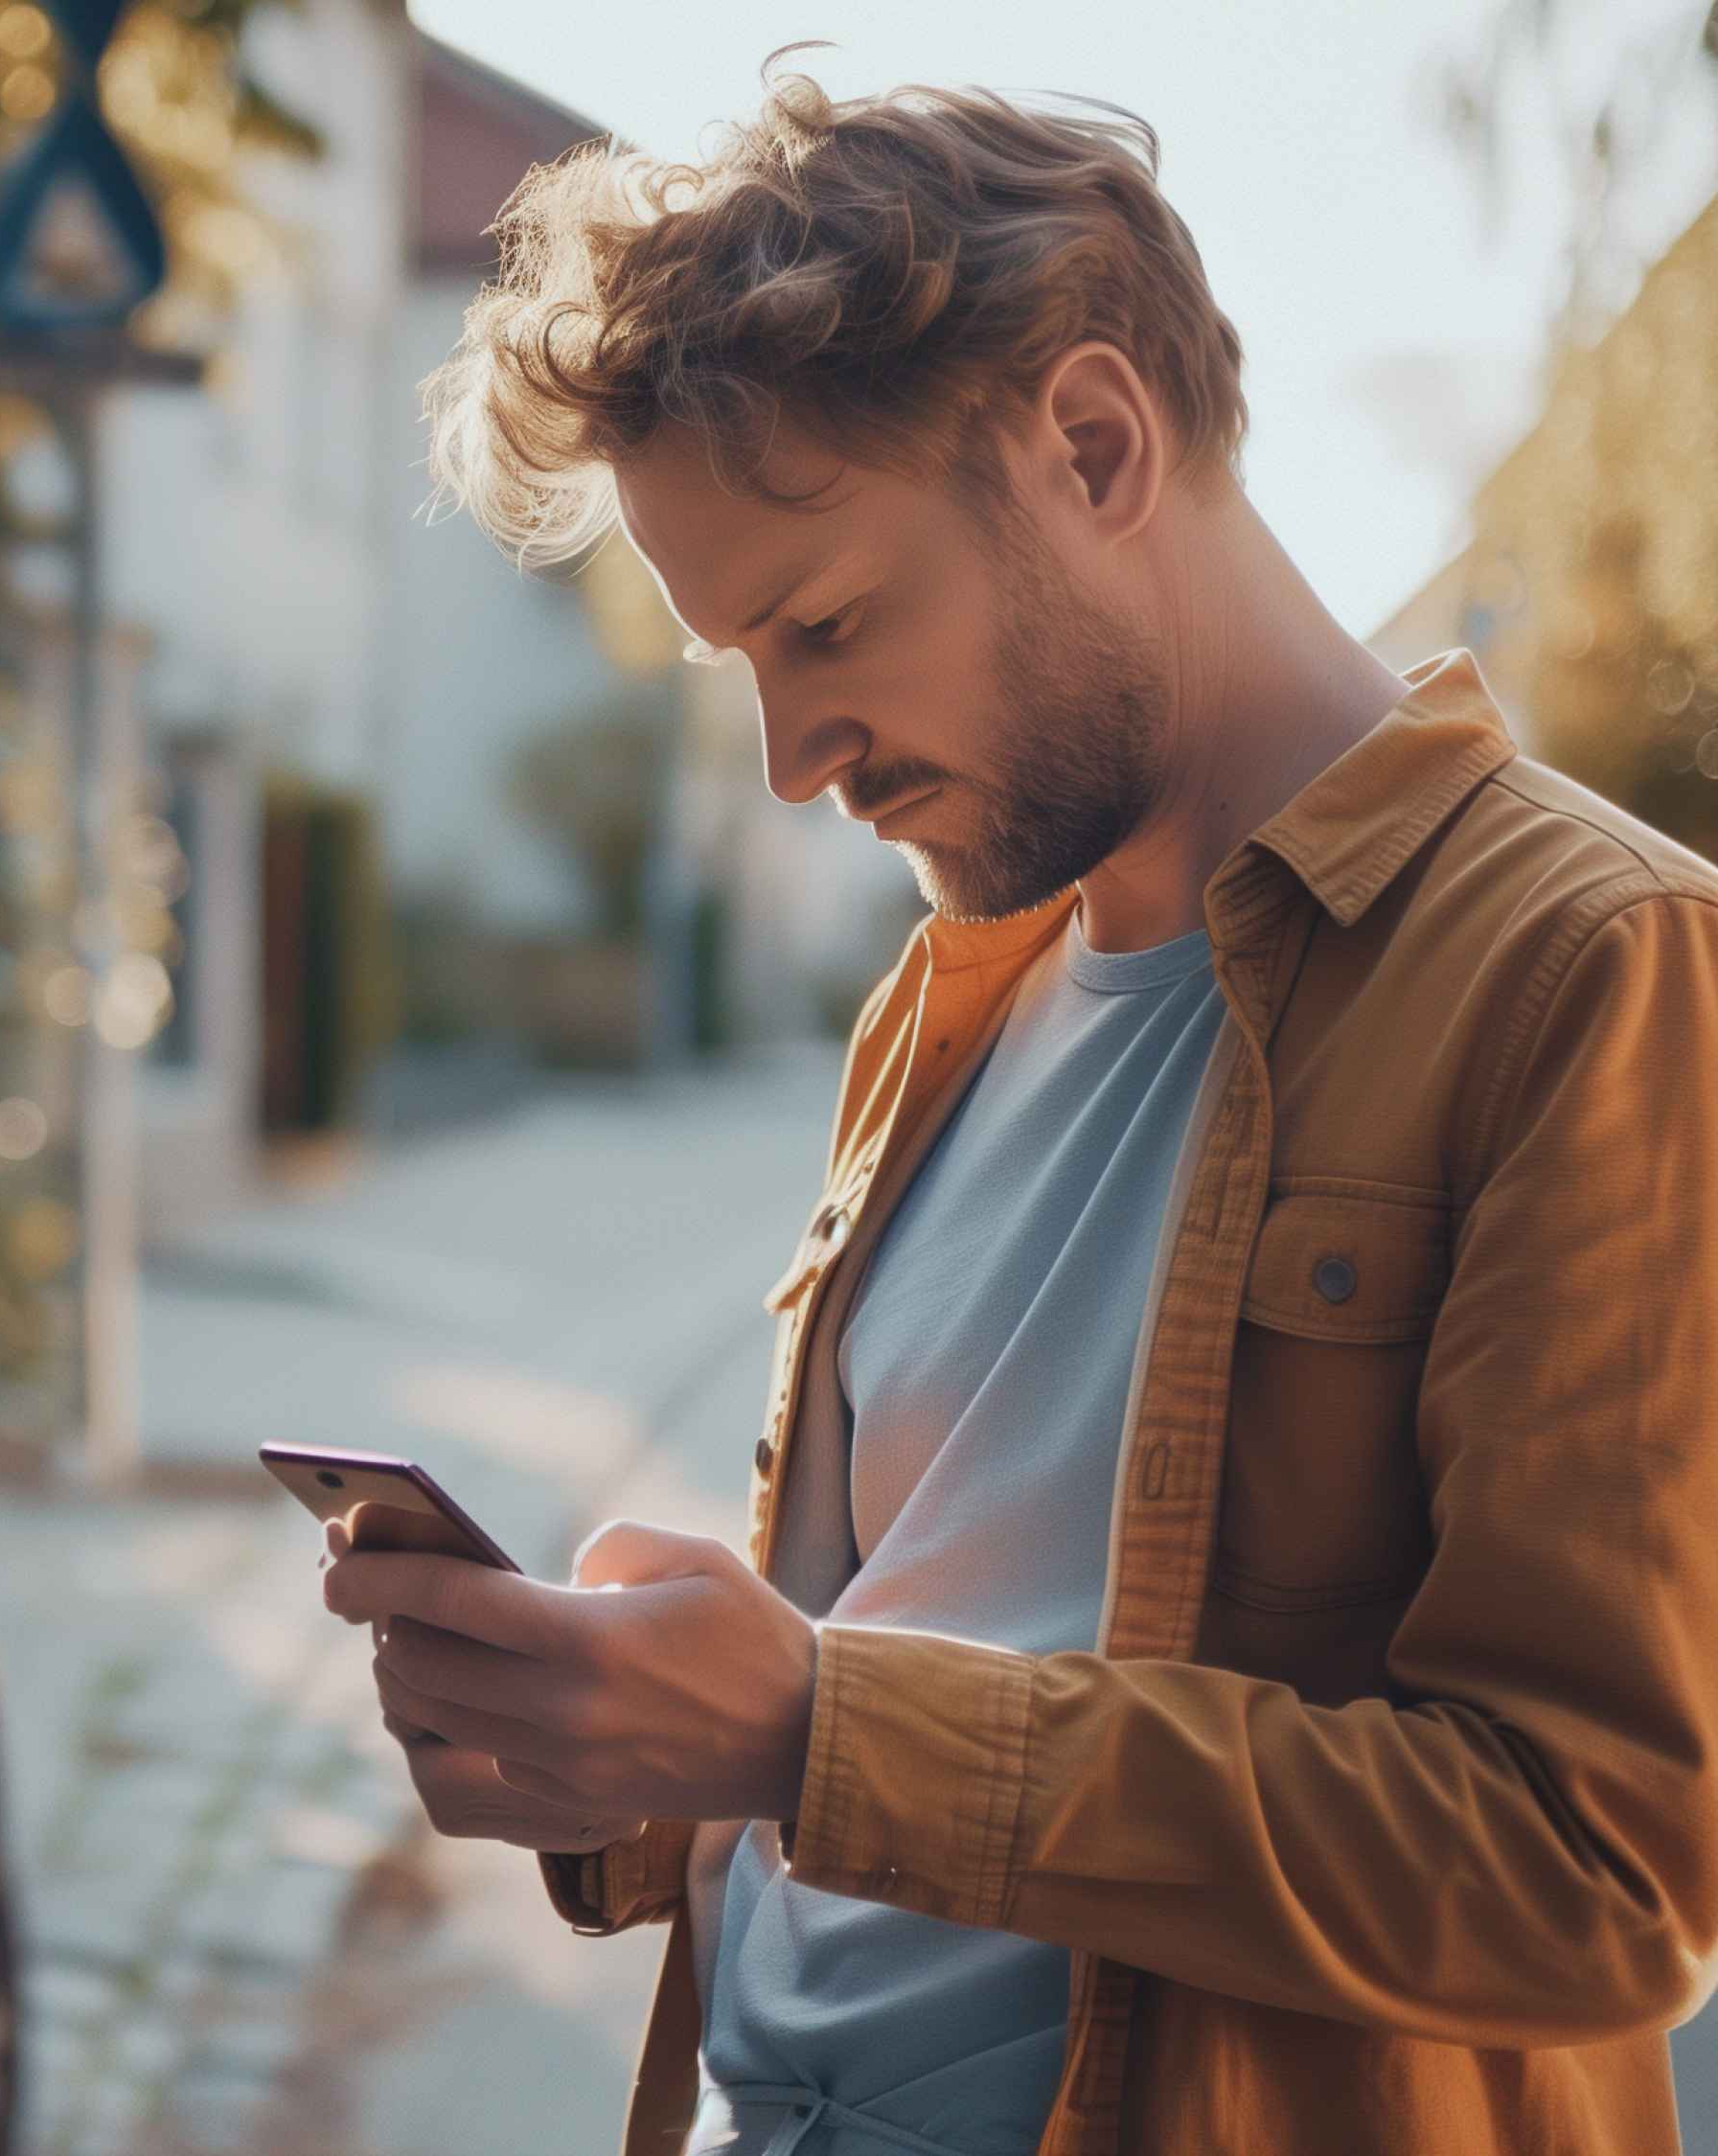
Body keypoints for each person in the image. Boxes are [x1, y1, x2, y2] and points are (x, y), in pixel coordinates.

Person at [317, 52, 1718, 2156]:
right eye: (743, 669)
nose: (796, 753)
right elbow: (922, 1673)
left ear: (1090, 442)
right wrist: (634, 1750)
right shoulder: (945, 1001)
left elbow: (1593, 1874)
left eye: (826, 623)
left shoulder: (1590, 964)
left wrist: (810, 1722)